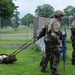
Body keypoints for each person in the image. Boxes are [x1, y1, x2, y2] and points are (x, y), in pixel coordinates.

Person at [36, 10, 63, 75]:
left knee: (48, 54)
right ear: (59, 16)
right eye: (62, 16)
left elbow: (44, 29)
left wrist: (39, 36)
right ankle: (54, 71)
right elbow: (53, 35)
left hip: (46, 39)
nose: (62, 17)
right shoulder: (56, 23)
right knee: (58, 54)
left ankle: (43, 68)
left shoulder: (50, 21)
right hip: (51, 41)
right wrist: (59, 43)